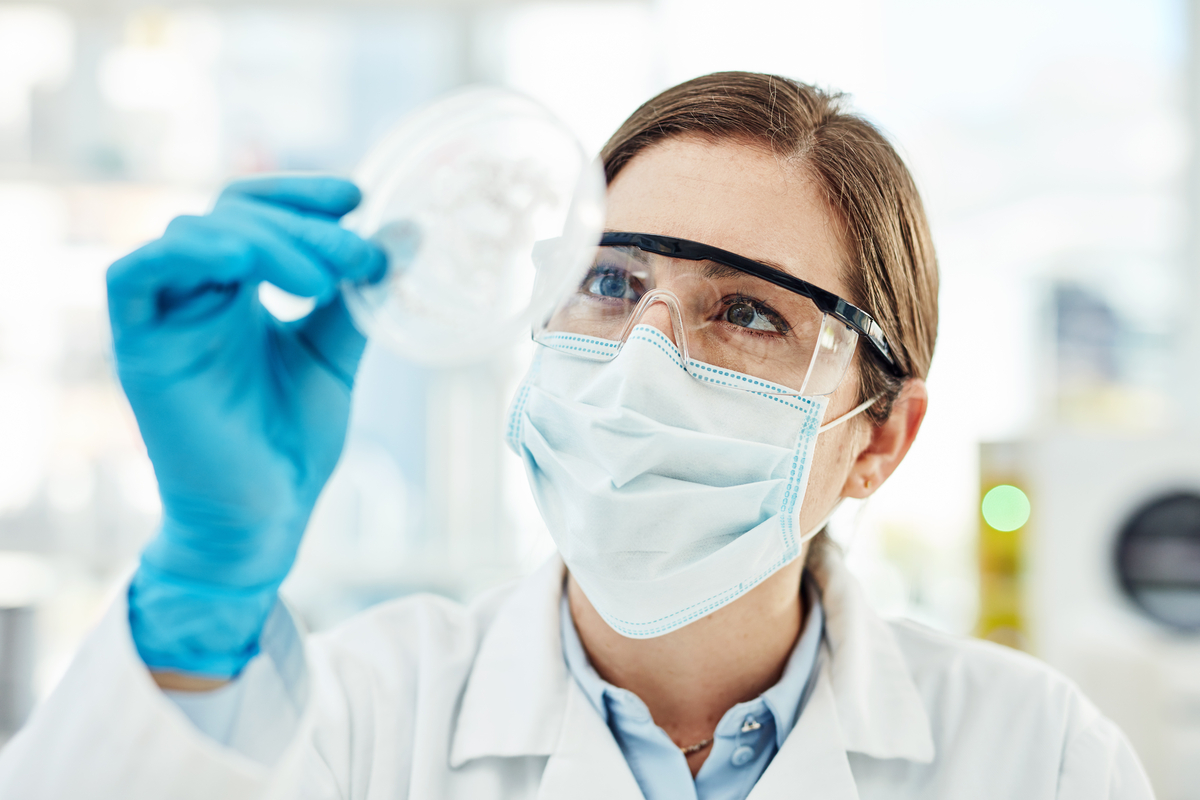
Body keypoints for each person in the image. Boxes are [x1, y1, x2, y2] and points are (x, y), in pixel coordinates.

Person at [0, 72, 1152, 799]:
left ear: (881, 437)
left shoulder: (1039, 757)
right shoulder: (356, 720)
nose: (644, 361)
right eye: (610, 281)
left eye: (749, 311)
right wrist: (201, 584)